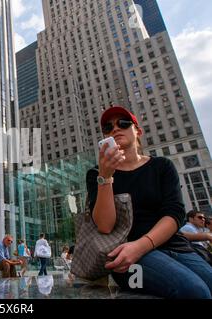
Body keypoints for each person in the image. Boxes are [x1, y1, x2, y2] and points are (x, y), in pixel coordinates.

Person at [87, 105, 212, 299]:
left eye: (123, 123)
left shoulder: (162, 166)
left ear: (138, 131)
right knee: (196, 292)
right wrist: (106, 177)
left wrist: (142, 245)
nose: (115, 128)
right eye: (108, 127)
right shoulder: (97, 173)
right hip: (126, 256)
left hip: (174, 246)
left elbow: (174, 214)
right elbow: (105, 225)